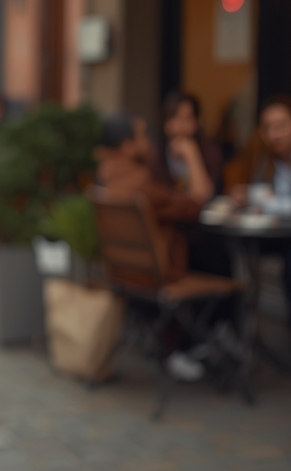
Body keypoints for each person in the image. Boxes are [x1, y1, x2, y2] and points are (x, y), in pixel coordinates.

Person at [97, 111, 211, 382]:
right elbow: (199, 199)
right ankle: (201, 346)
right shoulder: (141, 184)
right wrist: (193, 154)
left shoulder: (106, 177)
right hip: (158, 275)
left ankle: (191, 346)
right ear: (128, 147)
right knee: (218, 261)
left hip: (125, 273)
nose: (149, 143)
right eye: (143, 137)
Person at [229, 96, 291, 377]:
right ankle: (235, 332)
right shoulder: (270, 159)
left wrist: (276, 204)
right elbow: (268, 195)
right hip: (288, 237)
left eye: (281, 126)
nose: (274, 134)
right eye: (267, 127)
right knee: (226, 251)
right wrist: (249, 196)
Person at [152, 92, 224, 205]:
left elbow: (202, 197)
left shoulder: (211, 153)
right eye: (174, 118)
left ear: (197, 122)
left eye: (187, 119)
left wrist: (192, 154)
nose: (179, 126)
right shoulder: (155, 154)